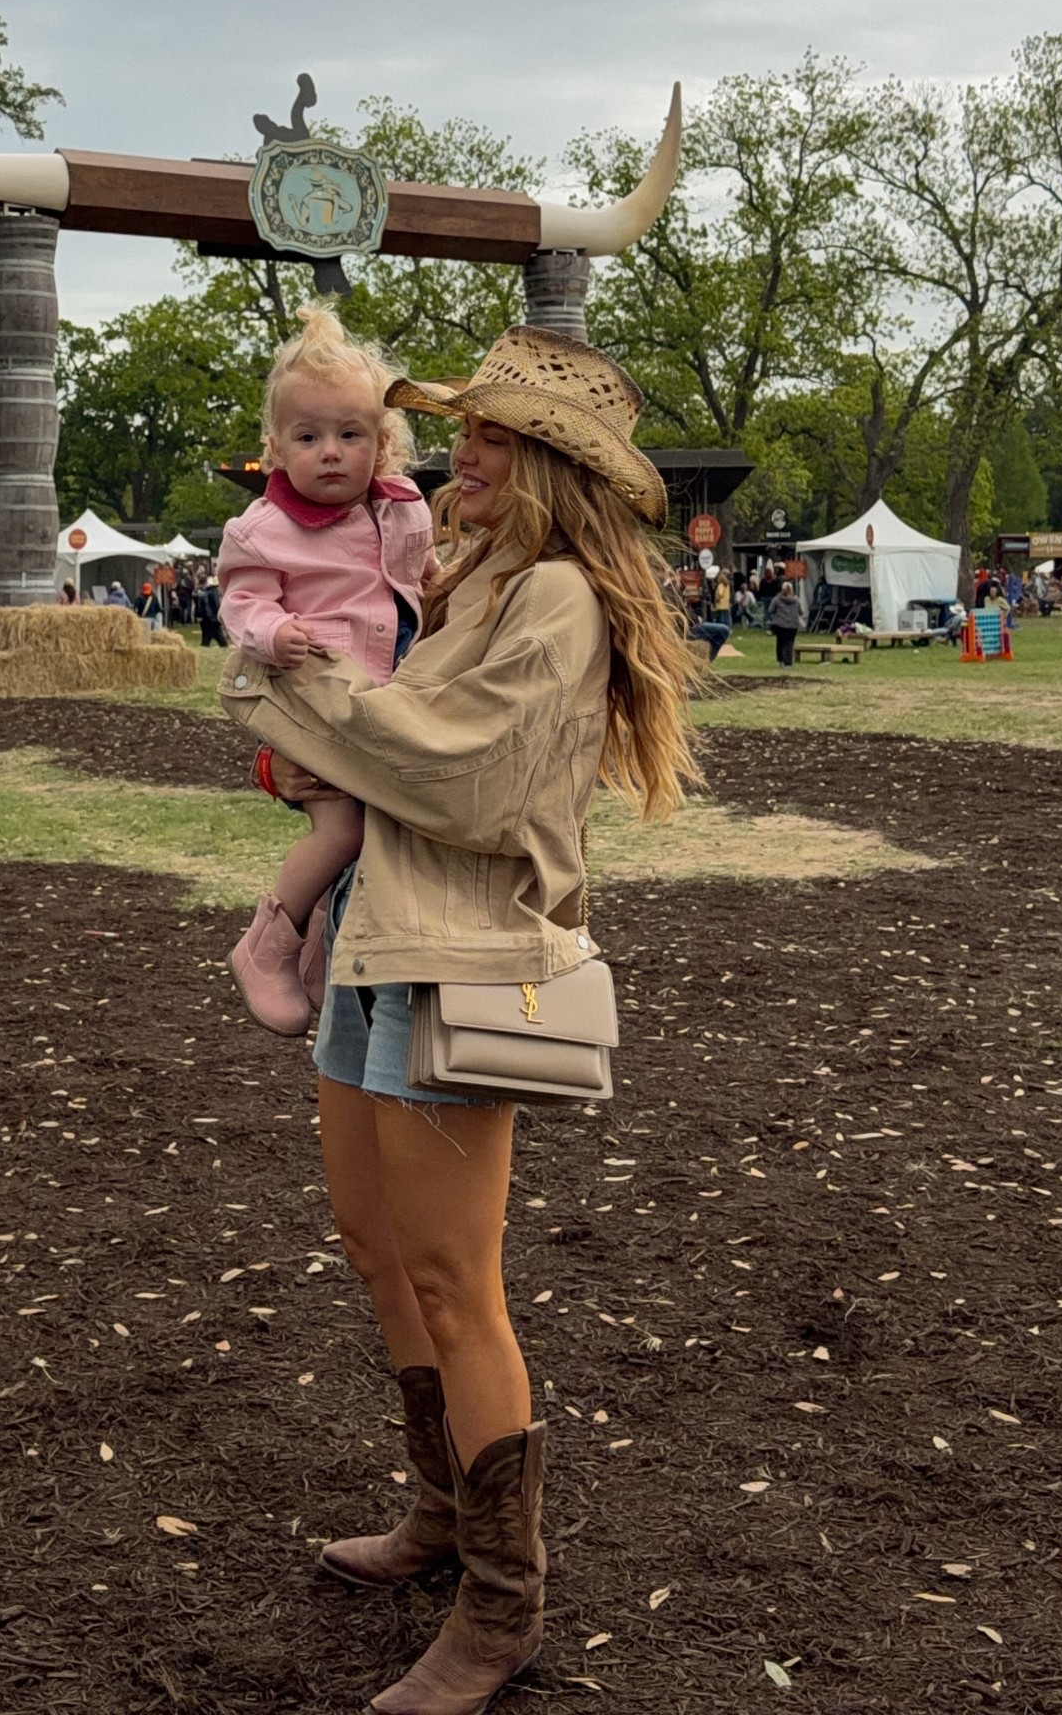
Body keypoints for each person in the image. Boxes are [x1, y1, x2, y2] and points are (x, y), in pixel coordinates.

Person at [221, 325, 700, 1715]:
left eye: (484, 438)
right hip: (376, 930)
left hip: (465, 957)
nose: (453, 456)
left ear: (547, 464)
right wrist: (311, 715)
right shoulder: (466, 575)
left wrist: (291, 689)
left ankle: (503, 1606)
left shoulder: (555, 603)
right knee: (375, 1247)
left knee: (454, 1283)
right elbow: (380, 743)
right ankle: (439, 1514)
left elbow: (462, 779)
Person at [218, 303, 436, 1036]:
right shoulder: (264, 529)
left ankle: (315, 957)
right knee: (340, 831)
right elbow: (242, 601)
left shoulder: (405, 510)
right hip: (318, 706)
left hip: (385, 703)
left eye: (350, 435)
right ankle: (264, 946)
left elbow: (419, 576)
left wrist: (447, 585)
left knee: (382, 837)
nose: (331, 453)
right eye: (308, 437)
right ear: (275, 447)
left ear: (384, 442)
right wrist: (273, 632)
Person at [767, 578, 802, 666]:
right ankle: (788, 662)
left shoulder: (777, 599)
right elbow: (801, 612)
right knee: (789, 643)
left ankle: (781, 661)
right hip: (793, 625)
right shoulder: (796, 600)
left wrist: (774, 617)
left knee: (780, 643)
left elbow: (770, 610)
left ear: (782, 590)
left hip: (780, 624)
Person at [194, 574, 227, 647]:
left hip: (208, 617)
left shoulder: (203, 592)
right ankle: (221, 644)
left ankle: (206, 644)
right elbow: (216, 604)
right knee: (214, 634)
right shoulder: (212, 591)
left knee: (210, 634)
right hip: (211, 616)